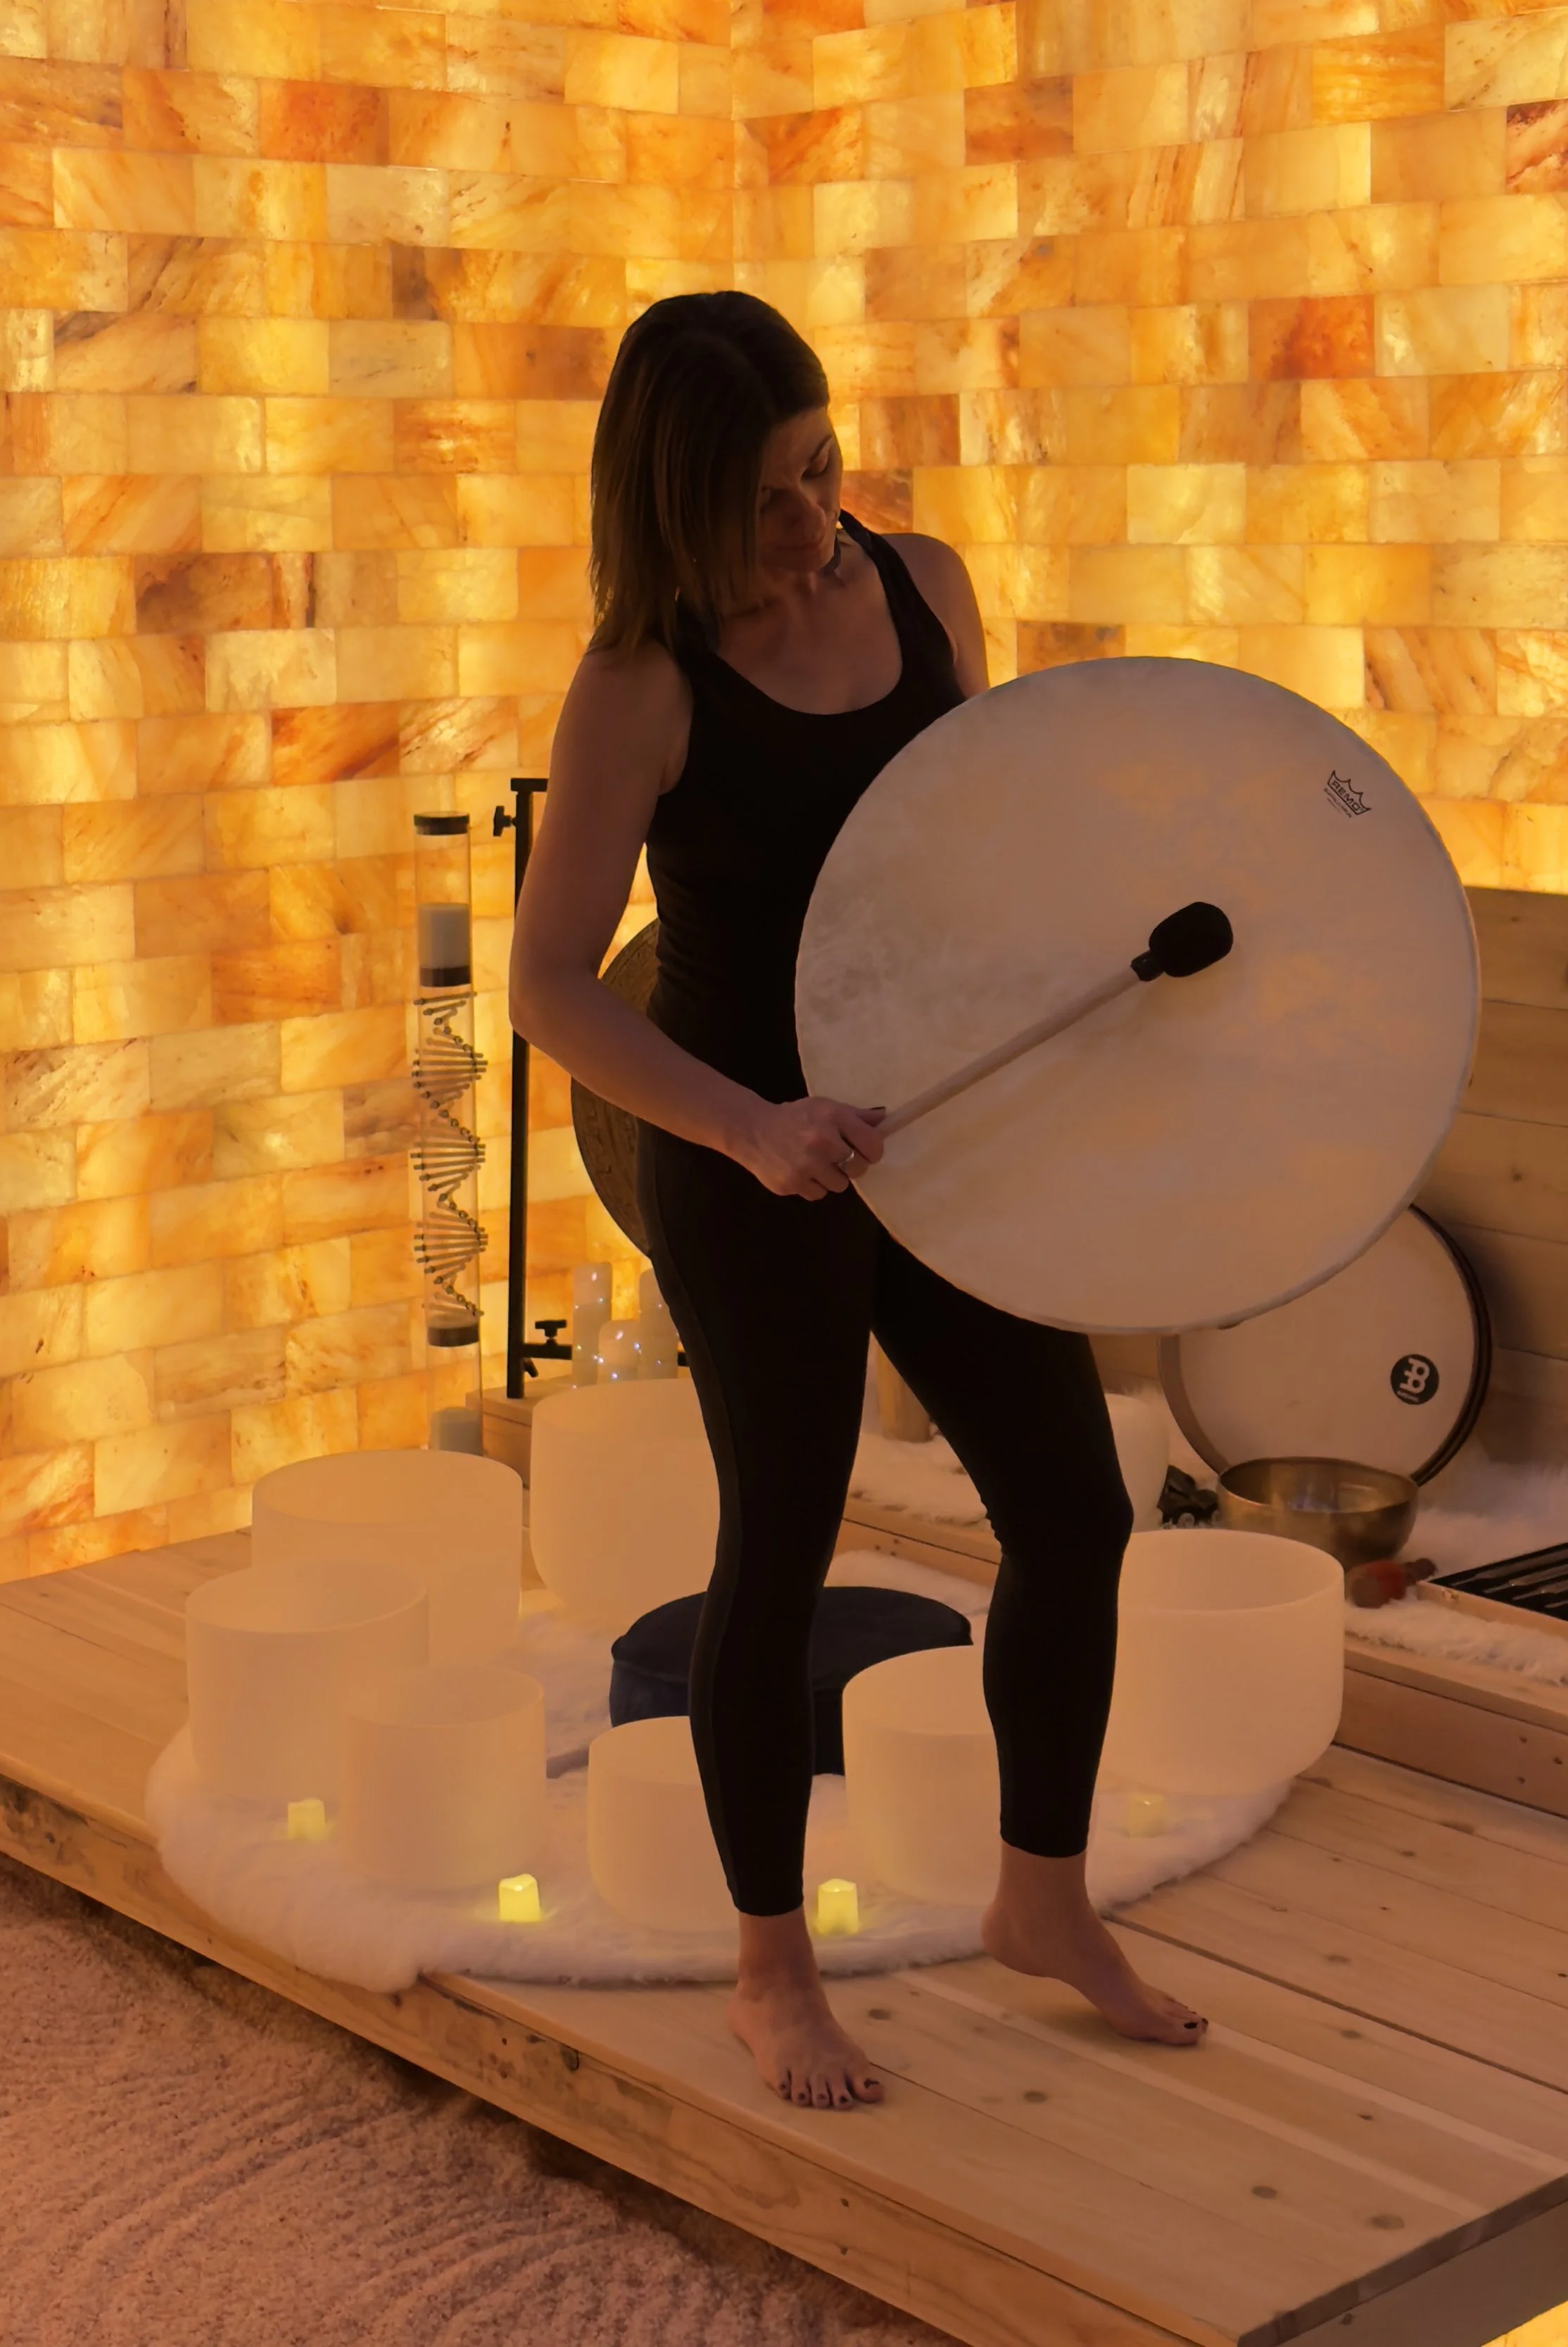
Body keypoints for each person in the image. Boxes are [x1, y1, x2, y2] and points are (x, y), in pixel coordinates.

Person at [509, 292, 1206, 2112]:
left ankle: (1037, 1900)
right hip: (752, 1155)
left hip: (940, 1130)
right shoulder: (639, 688)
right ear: (670, 503)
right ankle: (769, 1967)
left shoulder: (923, 586)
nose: (811, 520)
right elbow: (552, 986)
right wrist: (746, 1131)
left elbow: (968, 834)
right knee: (782, 1548)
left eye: (820, 469)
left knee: (1071, 1509)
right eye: (760, 500)